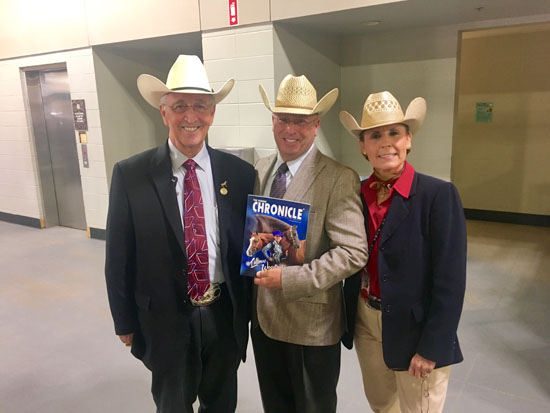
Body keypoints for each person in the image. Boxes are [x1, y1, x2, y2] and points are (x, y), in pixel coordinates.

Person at [104, 55, 256, 413]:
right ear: (164, 113)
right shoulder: (132, 175)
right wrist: (123, 319)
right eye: (180, 106)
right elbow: (119, 255)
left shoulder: (239, 174)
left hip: (223, 314)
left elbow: (247, 248)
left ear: (212, 113)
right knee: (172, 405)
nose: (191, 116)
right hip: (165, 319)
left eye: (200, 106)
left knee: (221, 404)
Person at [339, 91, 467, 413]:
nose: (386, 143)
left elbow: (450, 281)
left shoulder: (437, 196)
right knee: (382, 405)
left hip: (416, 327)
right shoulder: (355, 193)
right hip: (366, 319)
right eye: (375, 135)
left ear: (408, 139)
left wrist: (431, 346)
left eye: (394, 132)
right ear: (363, 146)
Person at [252, 74, 368, 413]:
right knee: (275, 405)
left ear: (315, 125)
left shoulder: (338, 178)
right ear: (273, 122)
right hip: (263, 321)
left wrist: (289, 279)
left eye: (300, 121)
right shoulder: (261, 169)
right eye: (283, 120)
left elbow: (353, 252)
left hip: (311, 326)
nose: (291, 129)